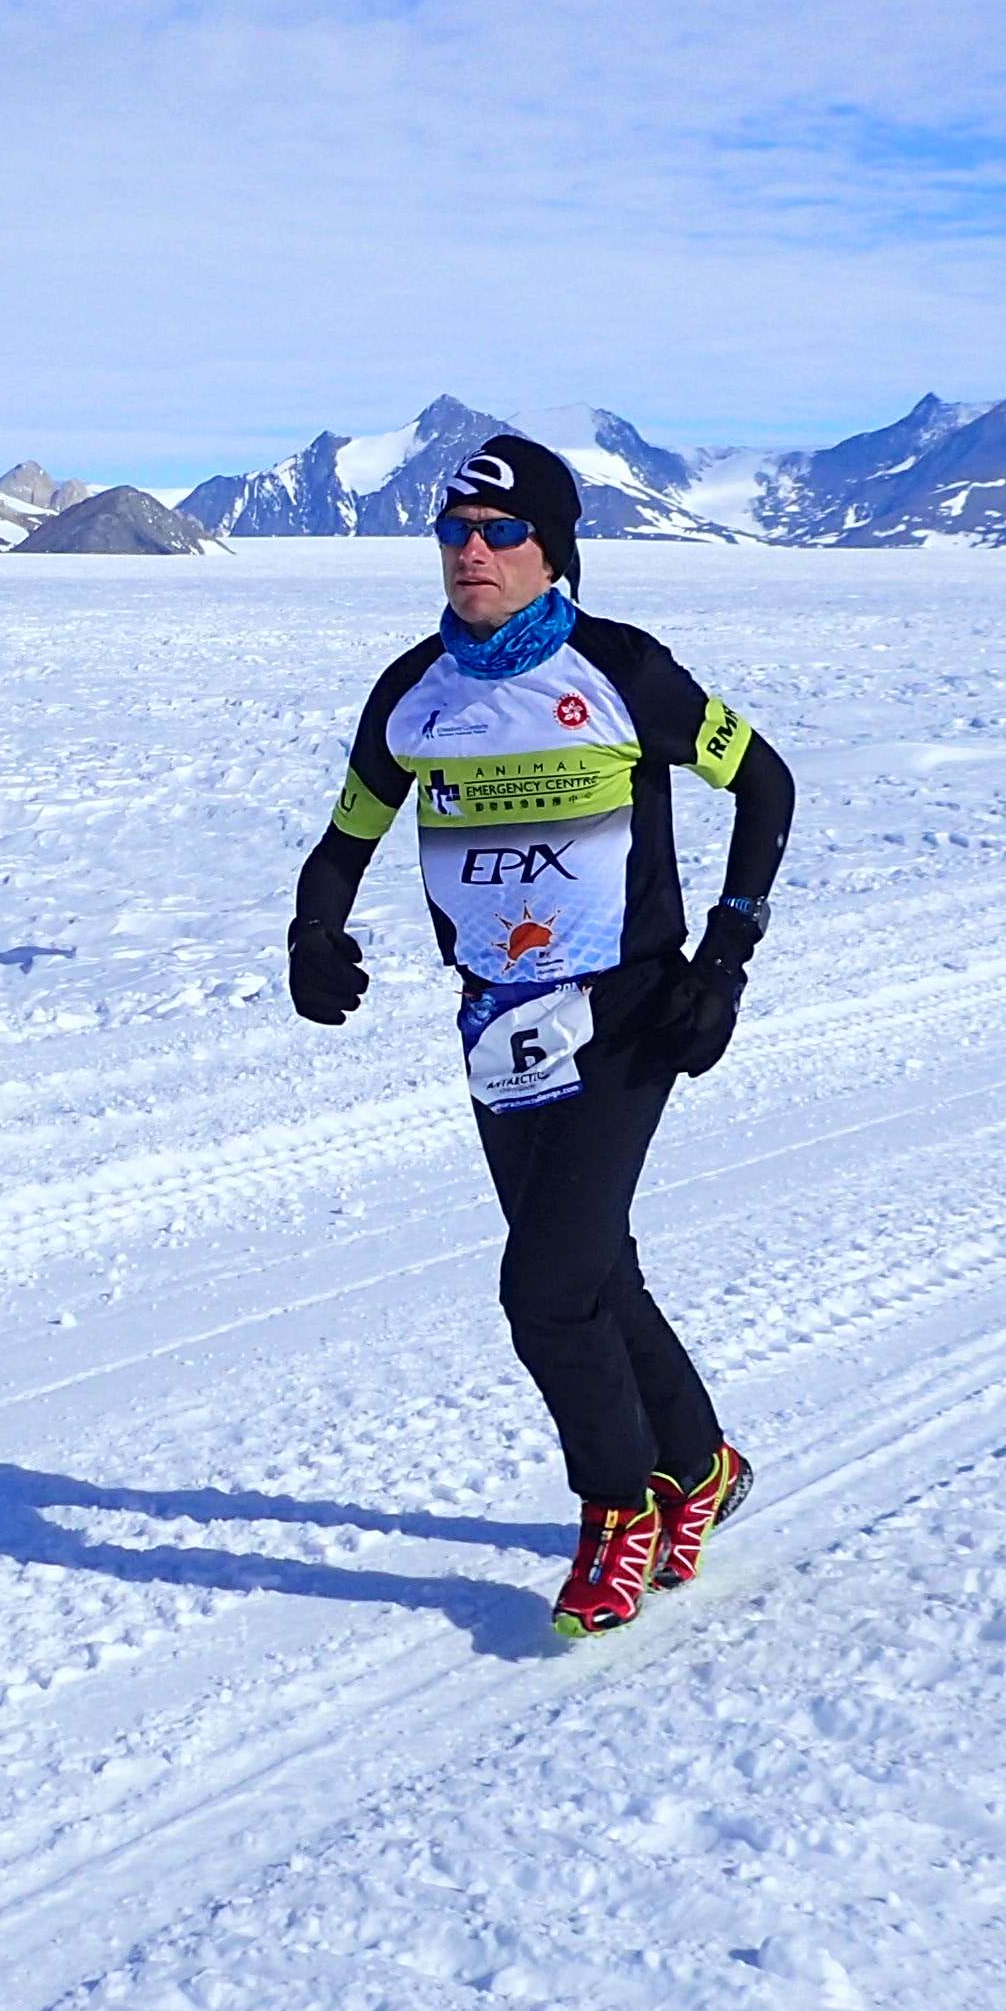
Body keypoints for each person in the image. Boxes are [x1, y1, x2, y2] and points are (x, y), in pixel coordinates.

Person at [284, 433, 794, 1638]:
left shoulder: (623, 672)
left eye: (500, 532)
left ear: (553, 553)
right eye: (455, 531)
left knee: (544, 1287)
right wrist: (314, 933)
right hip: (496, 1022)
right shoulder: (415, 690)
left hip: (628, 1011)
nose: (472, 551)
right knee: (594, 1267)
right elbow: (349, 833)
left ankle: (616, 1512)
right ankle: (703, 1467)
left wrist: (725, 959)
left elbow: (766, 785)